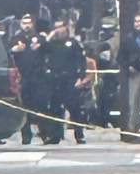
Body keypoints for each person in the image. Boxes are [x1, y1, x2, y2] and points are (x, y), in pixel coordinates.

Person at [42, 19, 88, 144]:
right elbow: (43, 49)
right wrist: (49, 36)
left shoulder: (73, 43)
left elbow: (81, 61)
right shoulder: (52, 44)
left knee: (75, 108)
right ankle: (55, 136)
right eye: (56, 27)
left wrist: (81, 77)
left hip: (70, 79)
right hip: (55, 79)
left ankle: (79, 134)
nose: (58, 30)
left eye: (60, 27)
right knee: (55, 108)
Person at [9, 14, 49, 144]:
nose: (26, 25)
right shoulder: (16, 39)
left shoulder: (39, 38)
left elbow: (47, 51)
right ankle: (26, 135)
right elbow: (9, 53)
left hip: (38, 78)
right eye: (23, 23)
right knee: (24, 107)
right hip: (23, 78)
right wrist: (15, 49)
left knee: (41, 106)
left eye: (29, 23)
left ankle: (44, 133)